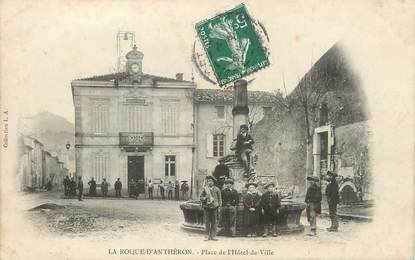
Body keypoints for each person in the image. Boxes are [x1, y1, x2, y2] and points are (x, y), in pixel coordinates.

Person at [200, 176, 222, 241]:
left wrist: (219, 207)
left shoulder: (217, 189)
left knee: (214, 222)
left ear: (214, 182)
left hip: (215, 207)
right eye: (209, 181)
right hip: (207, 207)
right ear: (207, 182)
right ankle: (207, 236)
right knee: (207, 222)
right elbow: (201, 198)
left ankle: (213, 236)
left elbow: (220, 199)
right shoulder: (205, 189)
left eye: (211, 181)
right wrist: (205, 197)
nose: (210, 182)